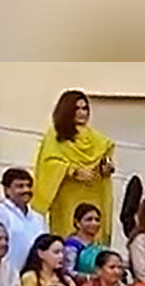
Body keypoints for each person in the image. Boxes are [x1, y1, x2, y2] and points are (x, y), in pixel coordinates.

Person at [32, 90, 114, 243]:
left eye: (85, 109)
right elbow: (48, 163)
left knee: (94, 232)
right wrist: (71, 171)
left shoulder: (98, 139)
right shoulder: (55, 135)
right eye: (77, 109)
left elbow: (106, 160)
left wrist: (106, 168)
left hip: (93, 193)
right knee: (68, 237)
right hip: (67, 195)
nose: (82, 113)